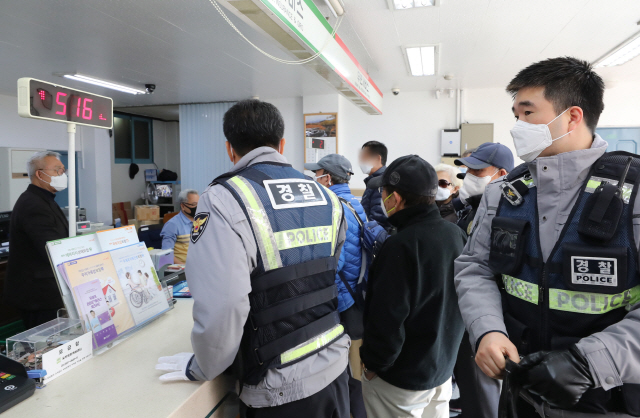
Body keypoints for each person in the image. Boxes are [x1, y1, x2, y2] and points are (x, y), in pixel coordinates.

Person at [455, 57, 640, 417]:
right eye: (515, 115)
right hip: (520, 389)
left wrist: (590, 362)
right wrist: (487, 330)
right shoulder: (506, 193)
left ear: (572, 116)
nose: (518, 126)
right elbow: (475, 268)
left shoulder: (634, 196)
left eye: (528, 113)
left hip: (608, 395)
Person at [155, 100, 350, 418]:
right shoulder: (325, 195)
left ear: (230, 150)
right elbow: (330, 270)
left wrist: (204, 365)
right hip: (332, 360)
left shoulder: (224, 198)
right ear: (282, 144)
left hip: (278, 383)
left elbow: (224, 304)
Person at [359, 155, 467, 418]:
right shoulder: (455, 234)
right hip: (441, 370)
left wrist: (373, 364)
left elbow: (388, 319)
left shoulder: (400, 246)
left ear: (395, 199)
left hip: (401, 381)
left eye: (383, 192)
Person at [305, 154, 367, 418]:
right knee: (356, 371)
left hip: (343, 300)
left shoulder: (332, 208)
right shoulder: (353, 202)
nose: (314, 179)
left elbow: (334, 262)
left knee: (349, 373)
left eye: (316, 174)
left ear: (327, 178)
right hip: (357, 294)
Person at [3, 151, 69, 329]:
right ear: (40, 174)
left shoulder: (45, 199)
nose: (62, 175)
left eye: (63, 170)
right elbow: (50, 247)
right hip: (38, 293)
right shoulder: (33, 204)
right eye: (57, 170)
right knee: (44, 345)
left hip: (45, 289)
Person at [454, 142, 514, 235]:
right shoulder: (471, 209)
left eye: (477, 170)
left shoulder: (508, 214)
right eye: (468, 170)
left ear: (502, 175)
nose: (469, 176)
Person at [161, 189, 199, 264]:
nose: (198, 207)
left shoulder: (200, 221)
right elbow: (166, 254)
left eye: (199, 204)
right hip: (184, 270)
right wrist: (186, 269)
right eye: (194, 204)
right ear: (183, 206)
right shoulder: (172, 224)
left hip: (201, 267)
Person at [359, 141, 390, 230]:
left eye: (364, 157)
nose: (361, 161)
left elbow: (378, 221)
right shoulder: (373, 180)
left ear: (377, 158)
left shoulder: (381, 183)